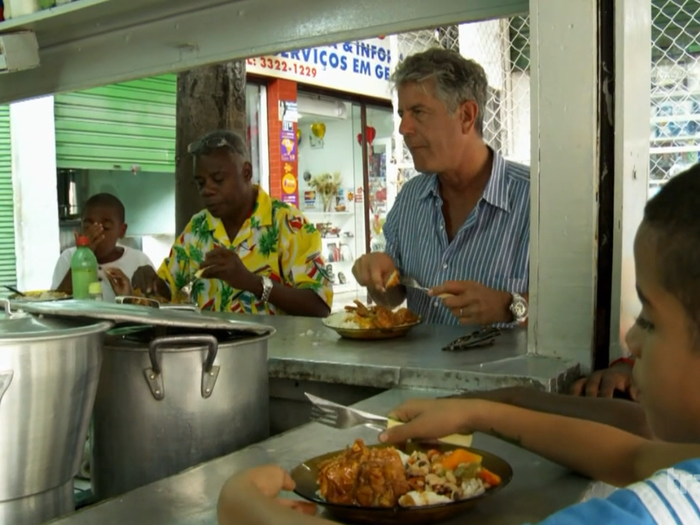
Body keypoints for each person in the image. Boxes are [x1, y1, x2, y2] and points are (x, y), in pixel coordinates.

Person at [216, 164, 700, 524]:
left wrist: (249, 513)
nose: (632, 339)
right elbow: (630, 456)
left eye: (651, 321)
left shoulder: (658, 510)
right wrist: (475, 412)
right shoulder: (684, 466)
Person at [352, 48, 530, 327]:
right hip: (416, 370)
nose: (403, 128)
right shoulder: (410, 198)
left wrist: (510, 306)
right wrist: (376, 277)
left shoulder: (535, 200)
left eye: (418, 112)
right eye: (402, 113)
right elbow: (394, 297)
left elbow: (575, 308)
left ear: (466, 116)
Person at [132, 129, 332, 317]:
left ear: (246, 172)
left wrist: (253, 283)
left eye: (218, 179)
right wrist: (149, 283)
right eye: (200, 183)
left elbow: (319, 305)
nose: (207, 190)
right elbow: (165, 288)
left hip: (272, 351)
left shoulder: (288, 224)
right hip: (211, 351)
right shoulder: (198, 227)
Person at [52, 193, 154, 301]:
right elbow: (55, 302)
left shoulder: (139, 260)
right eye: (88, 227)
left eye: (106, 227)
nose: (96, 234)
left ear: (122, 230)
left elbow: (155, 307)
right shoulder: (69, 257)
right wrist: (82, 256)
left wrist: (128, 297)